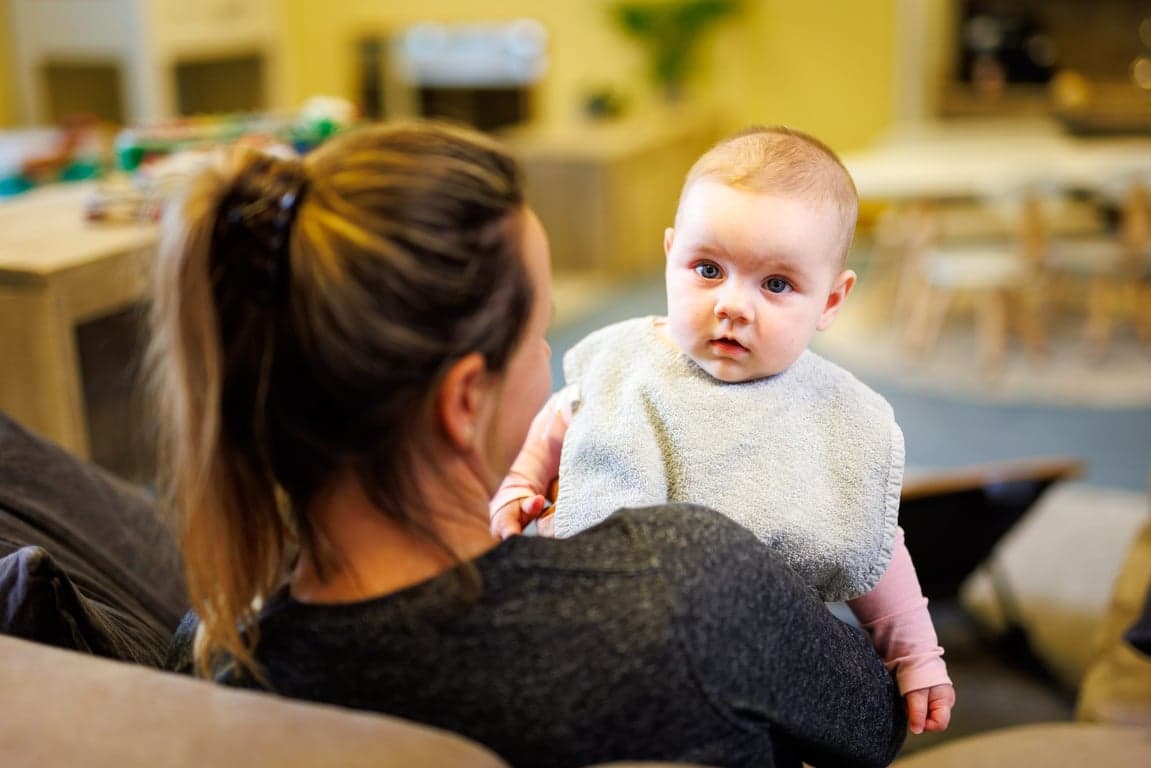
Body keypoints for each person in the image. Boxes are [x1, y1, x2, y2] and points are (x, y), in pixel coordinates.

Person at [150, 120, 907, 768]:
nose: (555, 361)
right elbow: (878, 721)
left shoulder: (211, 660)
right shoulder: (691, 589)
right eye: (539, 334)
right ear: (464, 401)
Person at [490, 125, 955, 735]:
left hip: (739, 667)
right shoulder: (628, 364)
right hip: (586, 626)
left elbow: (870, 544)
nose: (733, 305)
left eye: (777, 284)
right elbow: (563, 421)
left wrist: (916, 656)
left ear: (832, 302)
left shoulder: (834, 421)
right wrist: (519, 487)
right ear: (670, 255)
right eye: (708, 269)